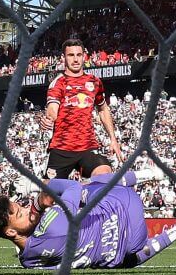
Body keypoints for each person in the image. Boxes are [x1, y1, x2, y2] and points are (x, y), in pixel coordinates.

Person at [0, 171, 176, 269]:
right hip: (126, 205)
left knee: (119, 262)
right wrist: (40, 198)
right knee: (85, 187)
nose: (27, 210)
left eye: (23, 206)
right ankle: (143, 175)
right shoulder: (50, 224)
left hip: (131, 247)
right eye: (21, 213)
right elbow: (71, 188)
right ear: (11, 232)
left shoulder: (28, 261)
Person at [39, 38, 123, 180]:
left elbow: (103, 108)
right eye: (71, 55)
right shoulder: (58, 82)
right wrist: (49, 119)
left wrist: (113, 139)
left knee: (104, 174)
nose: (76, 59)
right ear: (63, 58)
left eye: (79, 55)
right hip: (62, 148)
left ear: (84, 56)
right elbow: (52, 108)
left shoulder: (94, 82)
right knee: (48, 199)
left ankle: (83, 198)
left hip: (87, 147)